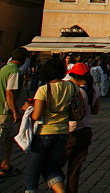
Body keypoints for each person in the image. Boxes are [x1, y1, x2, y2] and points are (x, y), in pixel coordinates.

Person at [24, 58, 74, 193]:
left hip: (43, 133)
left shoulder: (44, 89)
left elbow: (36, 115)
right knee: (52, 169)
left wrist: (27, 108)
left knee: (32, 173)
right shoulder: (71, 86)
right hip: (62, 132)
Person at [63, 63, 99, 193]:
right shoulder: (94, 89)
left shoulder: (75, 90)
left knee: (55, 166)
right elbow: (95, 110)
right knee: (75, 169)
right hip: (86, 130)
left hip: (71, 131)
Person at [0, 47, 26, 179]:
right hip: (4, 111)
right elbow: (9, 93)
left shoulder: (4, 68)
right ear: (24, 60)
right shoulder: (14, 71)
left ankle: (5, 164)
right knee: (2, 136)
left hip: (4, 110)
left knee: (9, 137)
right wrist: (15, 111)